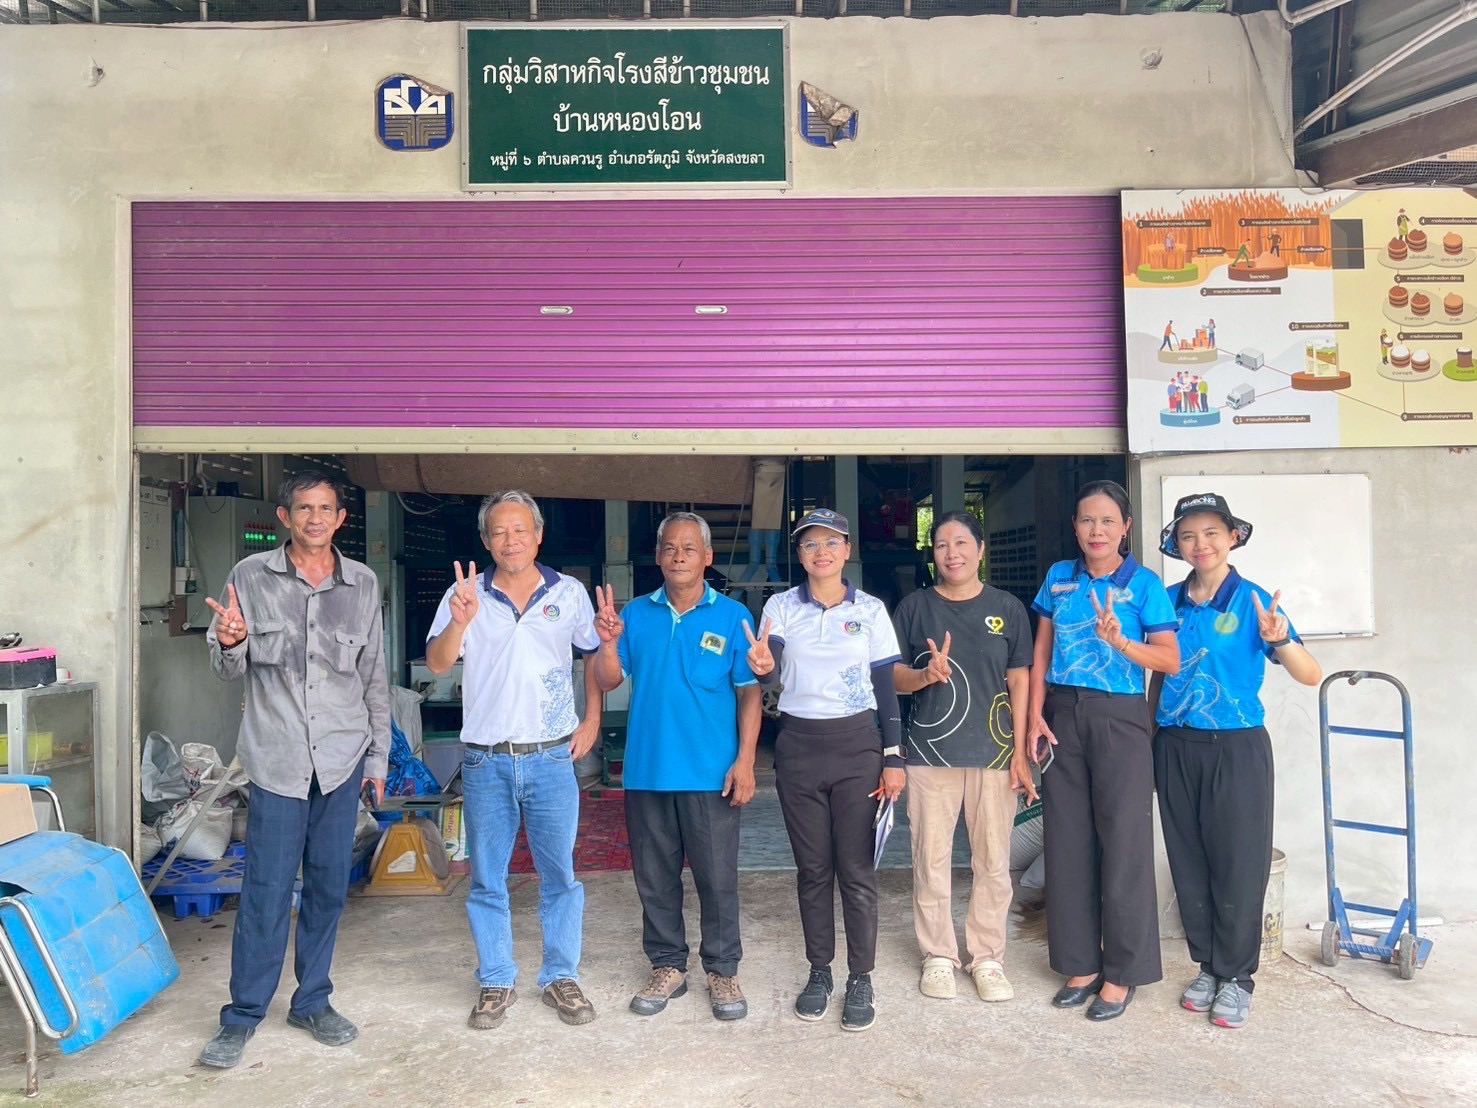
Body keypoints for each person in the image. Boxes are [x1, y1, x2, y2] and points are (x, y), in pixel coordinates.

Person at [198, 471, 390, 1070]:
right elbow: (228, 670)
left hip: (340, 760)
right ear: (285, 517)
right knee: (266, 891)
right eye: (303, 508)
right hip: (277, 759)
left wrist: (378, 759)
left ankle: (312, 1000)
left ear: (340, 519)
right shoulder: (248, 578)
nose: (314, 518)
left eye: (325, 509)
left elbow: (374, 679)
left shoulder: (362, 584)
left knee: (331, 887)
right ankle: (244, 1014)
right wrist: (230, 642)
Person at [425, 490, 602, 1030]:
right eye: (499, 532)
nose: (510, 540)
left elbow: (596, 656)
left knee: (560, 876)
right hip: (486, 761)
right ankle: (497, 978)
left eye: (520, 530)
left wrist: (592, 719)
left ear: (538, 535)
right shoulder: (465, 594)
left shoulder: (568, 593)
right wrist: (459, 620)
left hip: (550, 757)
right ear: (485, 541)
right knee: (487, 878)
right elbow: (436, 664)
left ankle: (560, 976)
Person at [1151, 493, 1322, 1030]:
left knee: (1239, 865)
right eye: (1188, 535)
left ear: (1232, 538)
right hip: (1175, 744)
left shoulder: (1252, 602)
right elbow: (1158, 671)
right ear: (1177, 545)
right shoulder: (1168, 602)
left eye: (1211, 533)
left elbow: (1310, 673)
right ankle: (1207, 966)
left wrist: (1279, 639)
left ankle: (1237, 976)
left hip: (1237, 747)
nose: (1200, 544)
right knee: (1190, 861)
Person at [590, 511, 762, 1021]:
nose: (679, 555)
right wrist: (605, 642)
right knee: (654, 876)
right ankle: (667, 965)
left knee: (717, 877)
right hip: (647, 770)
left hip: (712, 773)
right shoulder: (636, 615)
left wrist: (746, 760)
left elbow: (749, 694)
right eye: (669, 547)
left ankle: (723, 970)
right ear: (659, 555)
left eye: (690, 547)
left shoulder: (733, 616)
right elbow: (606, 679)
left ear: (708, 557)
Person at [745, 508, 905, 1033]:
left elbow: (885, 688)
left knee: (856, 872)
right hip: (799, 746)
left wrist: (893, 755)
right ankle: (820, 971)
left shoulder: (872, 610)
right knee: (813, 871)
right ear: (801, 554)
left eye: (831, 543)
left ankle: (862, 976)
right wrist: (764, 663)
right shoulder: (781, 605)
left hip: (859, 746)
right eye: (811, 544)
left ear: (846, 548)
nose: (821, 553)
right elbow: (770, 653)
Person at [1027, 480, 1180, 1022]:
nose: (1097, 530)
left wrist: (1122, 643)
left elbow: (1169, 661)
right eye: (1087, 520)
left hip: (1119, 714)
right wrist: (1033, 719)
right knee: (1067, 841)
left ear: (1126, 528)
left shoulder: (1144, 585)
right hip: (1062, 715)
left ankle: (1122, 972)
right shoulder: (1058, 578)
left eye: (1108, 521)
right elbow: (1042, 651)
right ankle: (1081, 963)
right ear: (1075, 527)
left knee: (1124, 841)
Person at [891, 511, 1032, 1003]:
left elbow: (1020, 680)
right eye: (941, 545)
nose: (951, 553)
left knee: (993, 861)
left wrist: (1019, 751)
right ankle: (938, 956)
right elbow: (891, 681)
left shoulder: (1008, 608)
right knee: (930, 858)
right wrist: (927, 673)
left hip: (995, 755)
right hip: (930, 754)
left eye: (961, 543)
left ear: (980, 549)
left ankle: (987, 956)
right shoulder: (914, 608)